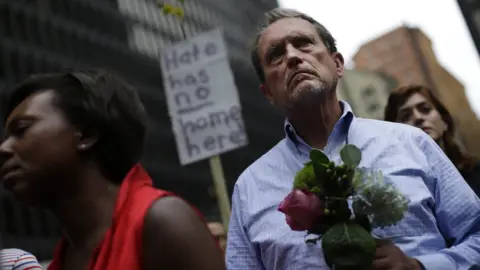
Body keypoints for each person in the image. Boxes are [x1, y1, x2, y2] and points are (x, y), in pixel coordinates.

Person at [225, 7, 480, 270]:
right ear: (268, 93)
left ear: (337, 64)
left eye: (304, 44)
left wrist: (421, 266)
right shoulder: (249, 189)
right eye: (276, 55)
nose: (292, 56)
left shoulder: (412, 143)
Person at [0, 70, 225, 270]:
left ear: (87, 134)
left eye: (21, 130)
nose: (4, 148)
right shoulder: (65, 259)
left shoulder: (163, 223)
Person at [384, 85, 480, 195]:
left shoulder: (476, 171)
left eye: (425, 109)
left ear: (444, 122)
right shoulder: (399, 192)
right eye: (406, 116)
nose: (418, 117)